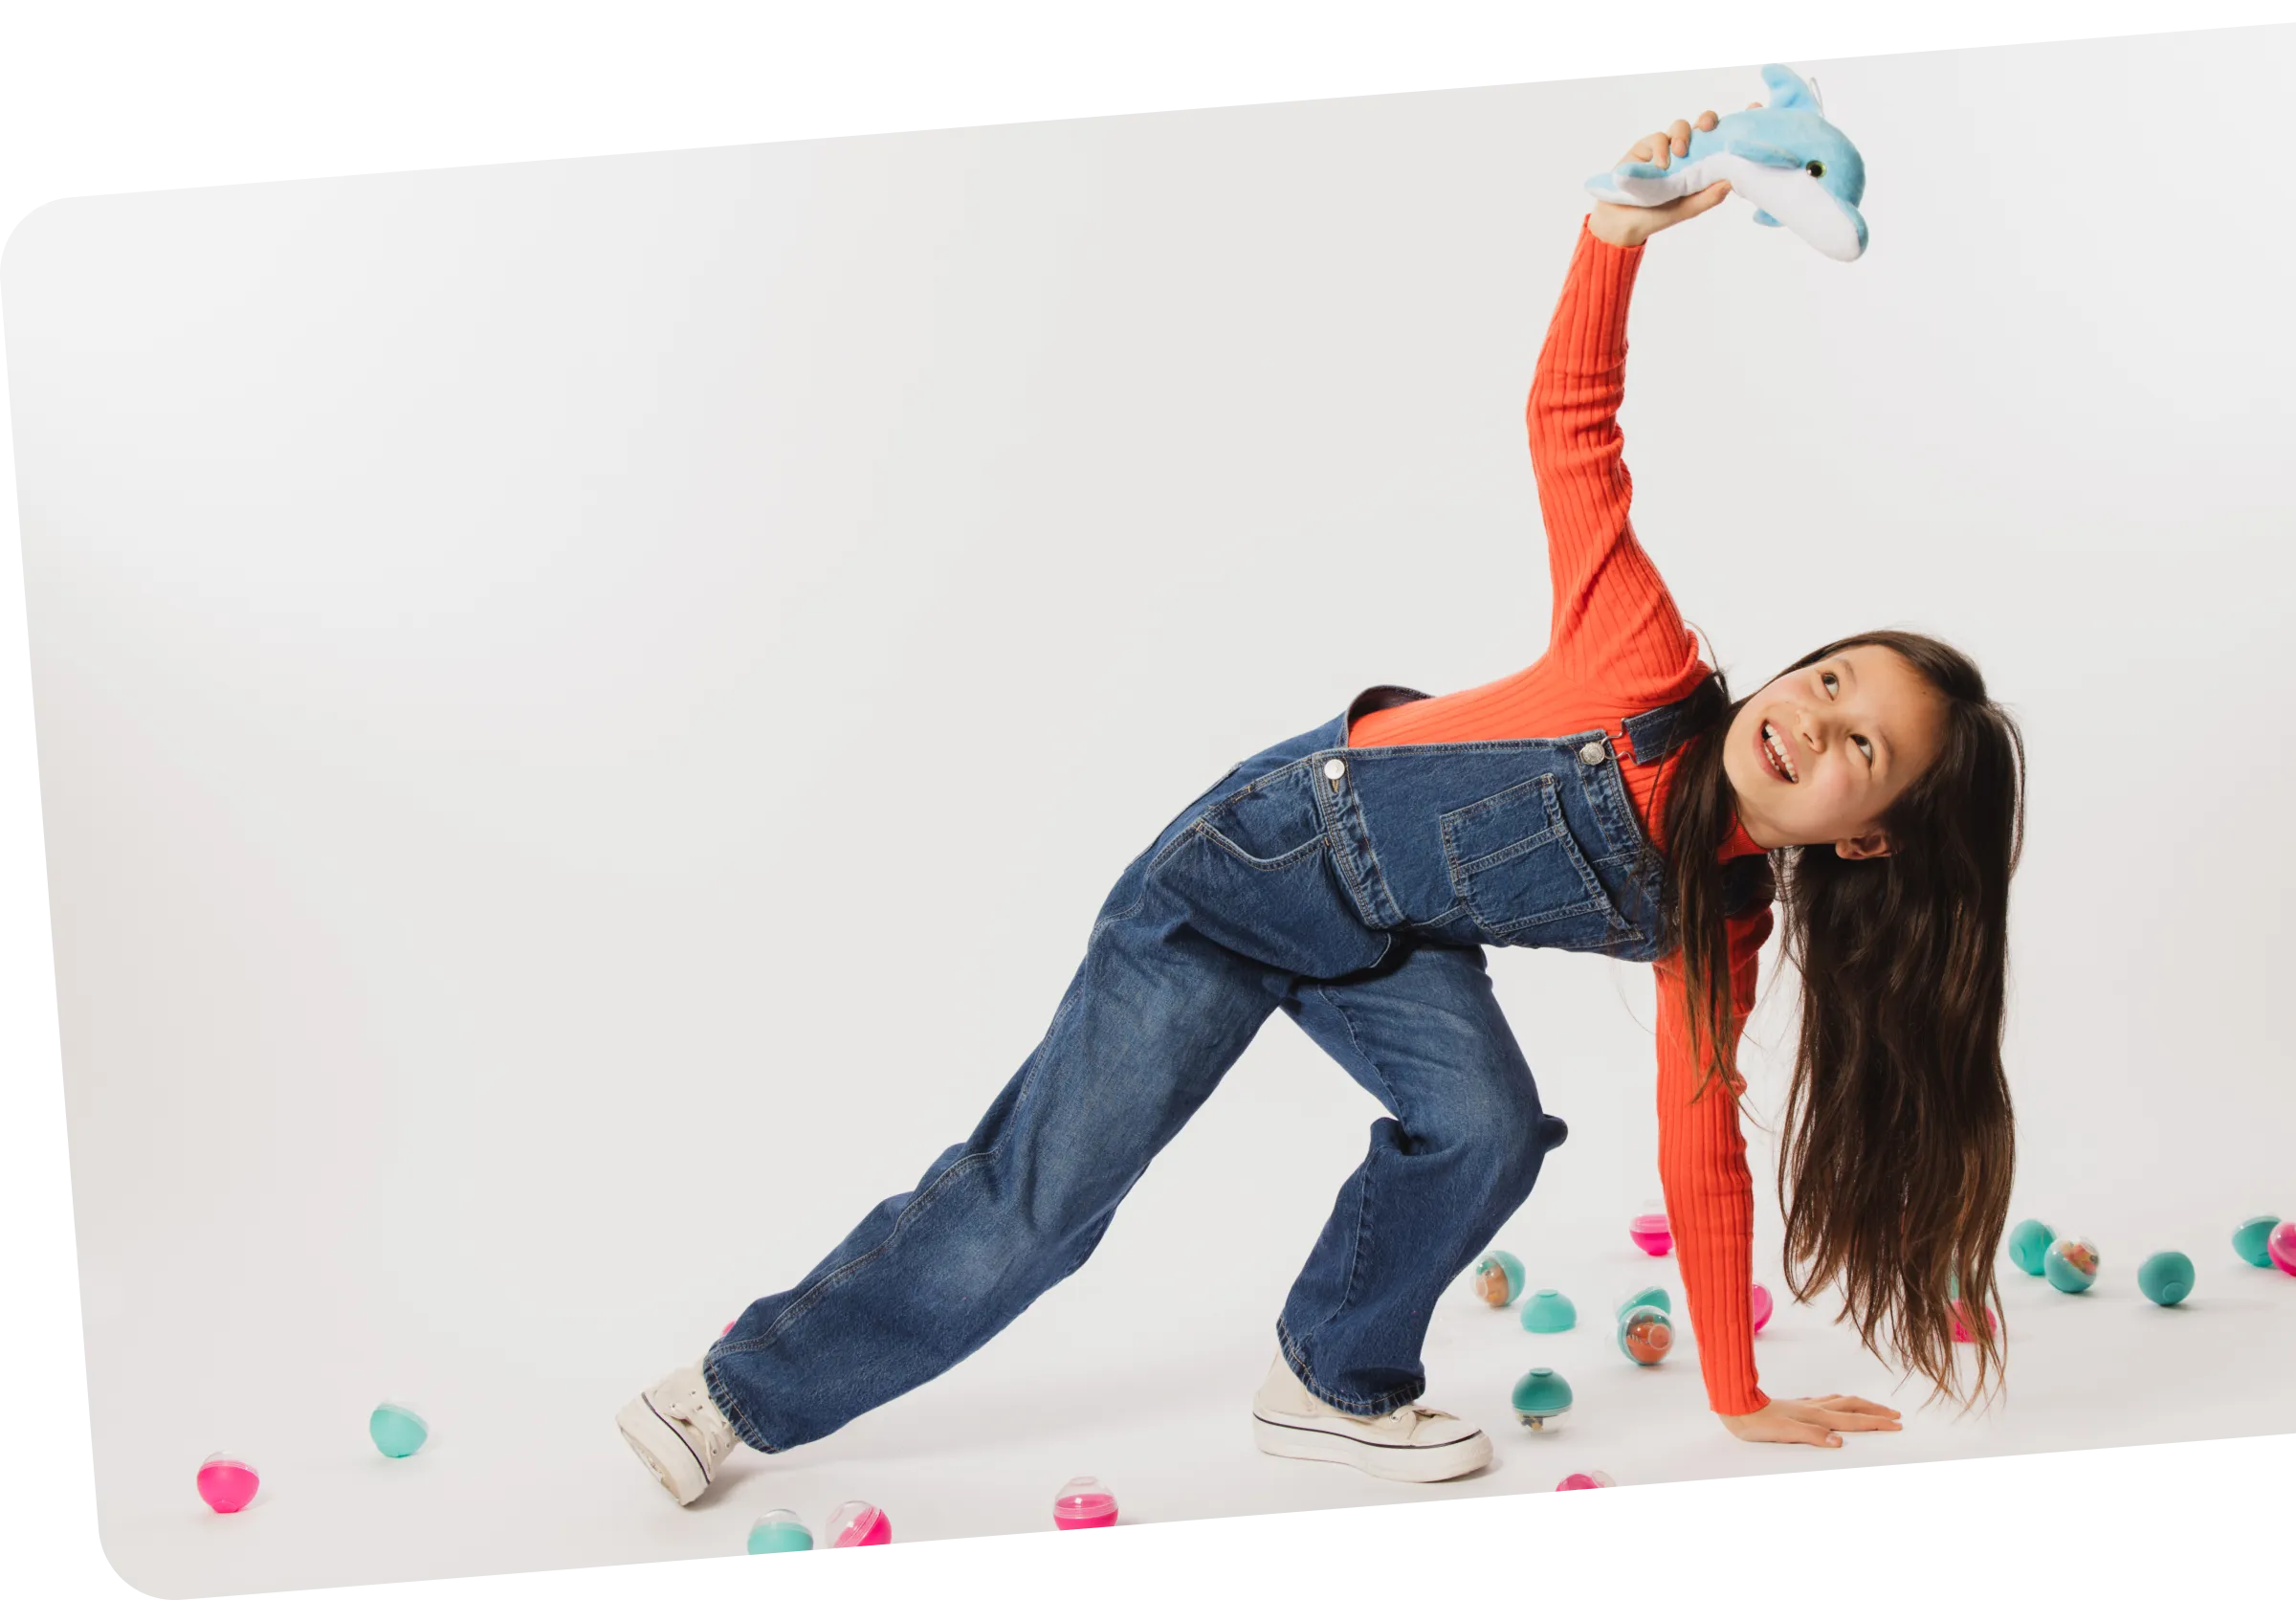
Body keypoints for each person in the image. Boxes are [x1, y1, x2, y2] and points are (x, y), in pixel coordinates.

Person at [618, 103, 2026, 1504]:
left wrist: (1735, 1392)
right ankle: (731, 1394)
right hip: (1248, 870)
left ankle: (1330, 1383)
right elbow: (1572, 431)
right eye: (1829, 678)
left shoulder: (1717, 917)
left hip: (1377, 941)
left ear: (1870, 833)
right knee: (1042, 1206)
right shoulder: (1644, 667)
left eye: (1863, 745)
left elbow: (1699, 1144)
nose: (1812, 717)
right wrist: (1612, 241)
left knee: (1482, 1128)